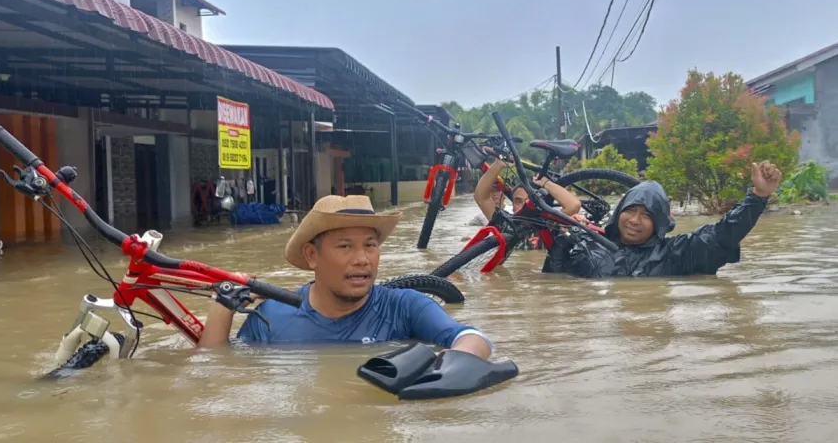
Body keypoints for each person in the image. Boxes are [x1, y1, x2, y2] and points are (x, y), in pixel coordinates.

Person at [198, 194, 493, 359]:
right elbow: (218, 372)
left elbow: (472, 338)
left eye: (370, 245)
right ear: (312, 256)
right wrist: (223, 305)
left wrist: (444, 372)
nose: (362, 259)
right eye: (345, 246)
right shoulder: (272, 316)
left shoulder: (404, 306)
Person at [546, 160, 783, 277]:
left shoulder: (676, 254)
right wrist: (561, 243)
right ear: (619, 212)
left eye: (647, 215)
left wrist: (758, 196)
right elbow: (552, 290)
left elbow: (722, 236)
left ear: (659, 223)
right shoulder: (586, 246)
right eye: (630, 210)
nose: (635, 221)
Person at [467, 154, 582, 250]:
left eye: (528, 201)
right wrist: (498, 165)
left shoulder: (548, 226)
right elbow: (481, 197)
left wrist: (545, 183)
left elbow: (573, 205)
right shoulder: (506, 226)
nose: (524, 206)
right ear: (512, 206)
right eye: (518, 201)